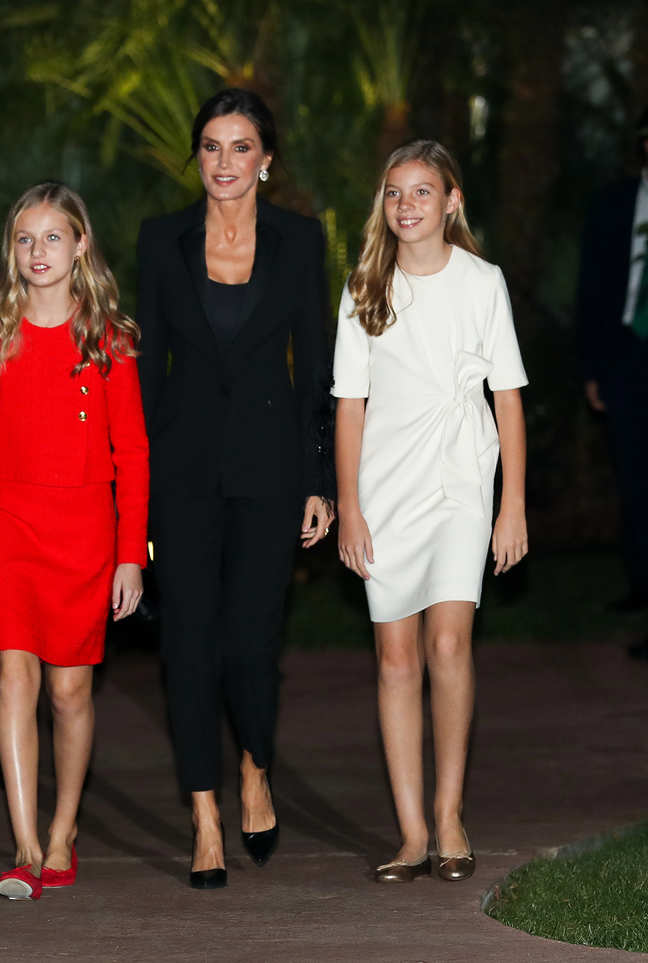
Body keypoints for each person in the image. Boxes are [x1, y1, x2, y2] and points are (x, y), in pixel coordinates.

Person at [136, 88, 334, 889]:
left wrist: (320, 477)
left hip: (271, 467)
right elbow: (148, 372)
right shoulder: (161, 240)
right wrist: (137, 491)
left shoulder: (299, 240)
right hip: (180, 472)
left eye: (240, 146)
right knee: (186, 644)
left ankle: (256, 762)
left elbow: (315, 366)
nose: (224, 162)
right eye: (211, 147)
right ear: (199, 157)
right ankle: (205, 815)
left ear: (266, 160)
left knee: (251, 641)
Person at [0, 182, 149, 900]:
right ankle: (25, 843)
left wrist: (129, 554)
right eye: (25, 239)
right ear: (12, 251)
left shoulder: (109, 339)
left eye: (52, 237)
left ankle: (64, 831)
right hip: (4, 527)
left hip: (85, 532)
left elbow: (134, 454)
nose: (38, 252)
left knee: (68, 689)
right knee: (13, 676)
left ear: (80, 244)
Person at [333, 140, 528, 883]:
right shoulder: (363, 286)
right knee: (395, 657)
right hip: (385, 490)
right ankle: (411, 831)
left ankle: (450, 815)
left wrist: (511, 505)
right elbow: (348, 406)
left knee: (449, 645)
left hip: (461, 482)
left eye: (422, 191)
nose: (406, 205)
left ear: (452, 201)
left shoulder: (482, 282)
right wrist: (349, 506)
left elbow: (506, 396)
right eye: (393, 193)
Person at [577, 108, 648, 644]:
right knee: (633, 478)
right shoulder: (612, 204)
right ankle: (640, 582)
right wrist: (593, 370)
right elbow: (592, 293)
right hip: (625, 359)